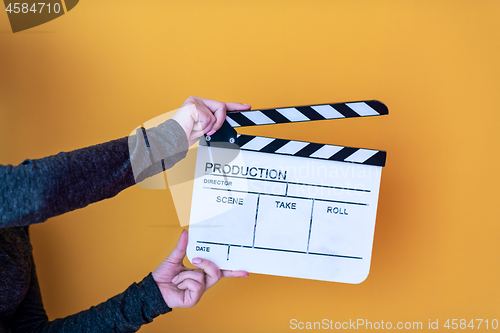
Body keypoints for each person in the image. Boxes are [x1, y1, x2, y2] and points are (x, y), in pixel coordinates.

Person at [0, 96, 252, 332]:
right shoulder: (18, 198)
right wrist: (165, 141)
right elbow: (35, 191)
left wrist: (152, 296)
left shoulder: (13, 224)